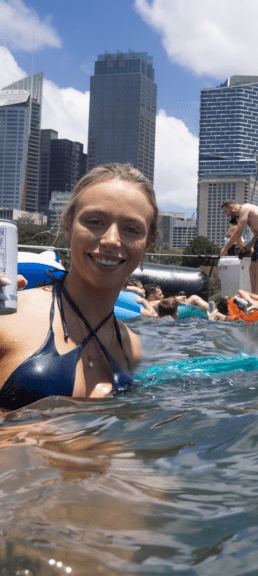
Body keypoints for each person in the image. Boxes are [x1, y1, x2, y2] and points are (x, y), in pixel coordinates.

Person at [0, 162, 159, 410]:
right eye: (95, 221)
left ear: (149, 241)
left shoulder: (134, 348)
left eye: (131, 229)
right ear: (68, 224)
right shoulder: (11, 316)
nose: (111, 240)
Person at [220, 201, 258, 296]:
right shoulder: (250, 217)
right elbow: (255, 236)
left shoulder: (245, 208)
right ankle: (255, 293)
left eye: (226, 211)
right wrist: (246, 248)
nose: (227, 214)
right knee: (252, 268)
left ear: (231, 207)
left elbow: (239, 230)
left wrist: (225, 248)